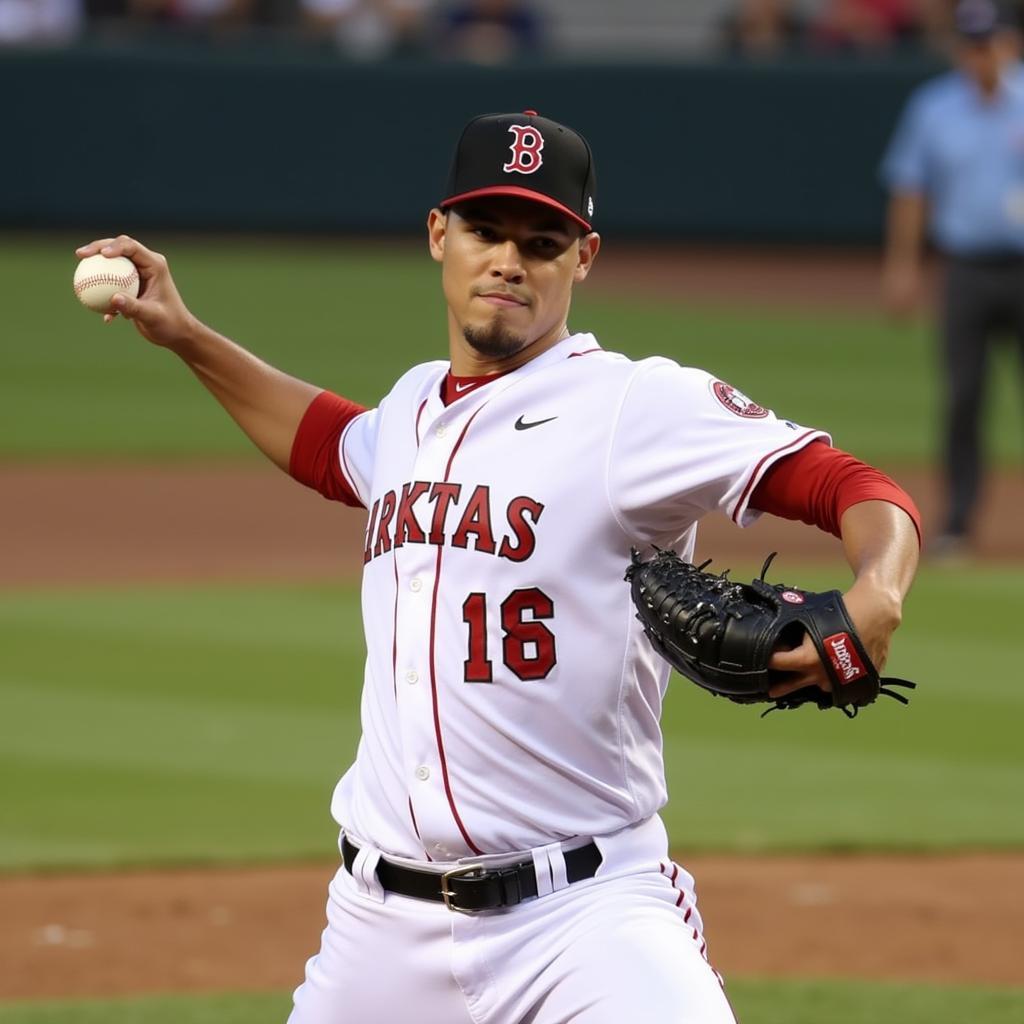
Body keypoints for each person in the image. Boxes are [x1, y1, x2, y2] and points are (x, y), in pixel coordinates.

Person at [76, 109, 921, 1023]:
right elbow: (329, 446)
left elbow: (853, 485)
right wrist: (187, 334)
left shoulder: (633, 405)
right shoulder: (408, 410)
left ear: (583, 257)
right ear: (440, 235)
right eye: (485, 231)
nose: (508, 260)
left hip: (586, 918)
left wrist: (878, 590)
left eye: (542, 240)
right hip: (378, 929)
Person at [882, 0, 1024, 555]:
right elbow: (911, 188)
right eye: (970, 44)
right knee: (964, 394)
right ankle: (959, 521)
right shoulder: (935, 107)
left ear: (1009, 43)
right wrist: (903, 265)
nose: (979, 55)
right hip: (965, 268)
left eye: (987, 43)